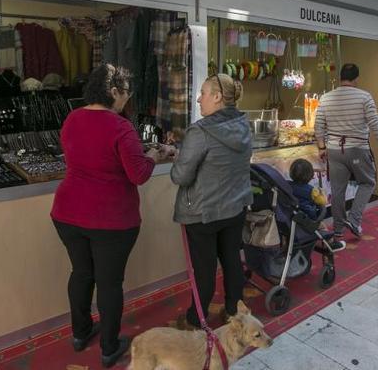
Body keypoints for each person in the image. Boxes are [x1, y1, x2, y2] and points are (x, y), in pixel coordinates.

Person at [50, 64, 167, 366]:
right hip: (111, 220)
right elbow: (138, 174)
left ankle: (80, 333)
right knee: (109, 283)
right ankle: (109, 347)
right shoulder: (119, 127)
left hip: (68, 213)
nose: (127, 99)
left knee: (81, 273)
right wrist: (154, 154)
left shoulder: (73, 118)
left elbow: (84, 157)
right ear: (113, 91)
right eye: (126, 93)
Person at [171, 73, 252, 330]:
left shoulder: (201, 130)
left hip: (204, 212)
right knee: (231, 261)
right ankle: (233, 311)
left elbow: (180, 176)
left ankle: (197, 318)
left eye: (203, 93)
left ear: (217, 97)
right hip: (235, 207)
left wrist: (178, 158)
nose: (198, 99)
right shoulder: (243, 125)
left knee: (203, 269)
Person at [314, 63, 378, 249]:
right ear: (356, 78)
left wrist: (321, 147)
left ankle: (338, 230)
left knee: (338, 190)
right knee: (368, 182)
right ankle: (354, 220)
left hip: (333, 150)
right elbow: (375, 123)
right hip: (357, 149)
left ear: (341, 77)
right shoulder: (364, 97)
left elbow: (319, 125)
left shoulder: (326, 97)